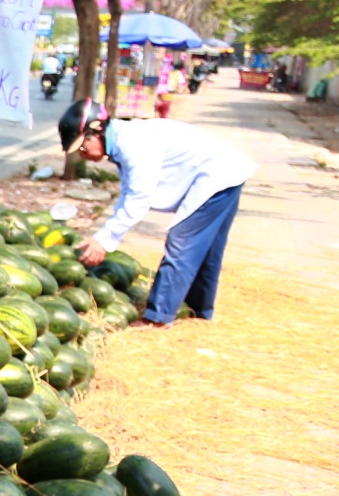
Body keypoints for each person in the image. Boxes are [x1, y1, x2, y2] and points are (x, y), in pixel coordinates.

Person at [60, 99, 257, 326]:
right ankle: (198, 311)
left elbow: (138, 198)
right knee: (207, 249)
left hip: (218, 175)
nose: (83, 155)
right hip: (227, 172)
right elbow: (129, 194)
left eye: (82, 148)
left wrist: (104, 241)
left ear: (97, 132)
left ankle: (158, 318)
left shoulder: (132, 143)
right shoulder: (124, 141)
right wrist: (105, 234)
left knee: (182, 243)